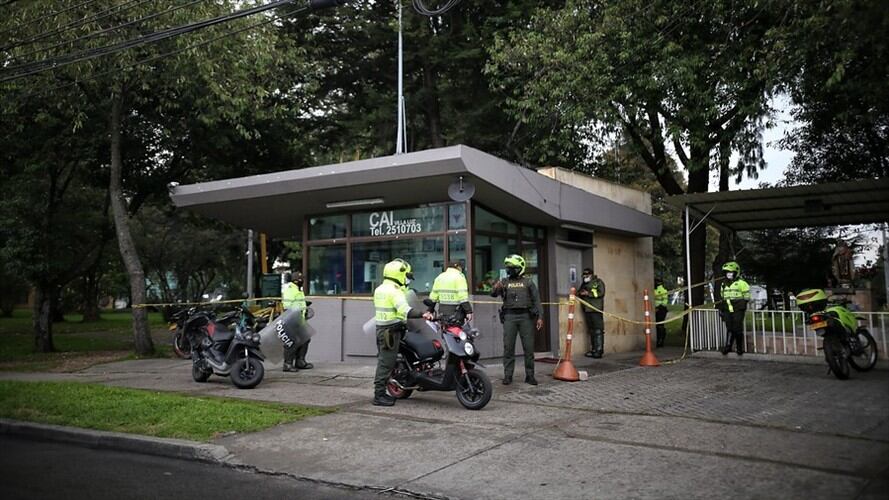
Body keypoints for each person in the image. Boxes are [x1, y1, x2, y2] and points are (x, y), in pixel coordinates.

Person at [372, 259, 433, 406]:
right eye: (406, 276)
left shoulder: (380, 289)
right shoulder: (395, 291)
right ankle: (379, 395)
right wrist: (423, 314)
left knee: (389, 360)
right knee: (386, 363)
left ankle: (405, 383)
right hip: (390, 333)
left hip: (385, 330)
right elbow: (405, 310)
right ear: (398, 274)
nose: (407, 279)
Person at [491, 254, 543, 386]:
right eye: (508, 267)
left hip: (526, 317)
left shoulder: (528, 282)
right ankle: (508, 376)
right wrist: (496, 287)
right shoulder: (504, 282)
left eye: (512, 267)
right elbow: (493, 294)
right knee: (508, 348)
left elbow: (537, 300)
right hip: (510, 317)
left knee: (529, 348)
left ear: (520, 268)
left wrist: (540, 317)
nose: (509, 270)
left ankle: (530, 376)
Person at [281, 271, 312, 372]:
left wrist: (304, 307)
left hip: (299, 318)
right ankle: (287, 364)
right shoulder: (290, 288)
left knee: (306, 338)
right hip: (292, 318)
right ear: (297, 280)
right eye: (301, 279)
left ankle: (300, 361)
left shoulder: (297, 289)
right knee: (292, 340)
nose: (302, 280)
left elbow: (298, 301)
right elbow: (288, 305)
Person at [718, 261, 751, 356]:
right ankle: (728, 347)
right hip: (727, 308)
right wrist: (722, 309)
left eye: (730, 272)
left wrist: (741, 305)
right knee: (729, 328)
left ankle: (739, 348)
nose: (728, 274)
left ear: (736, 273)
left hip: (738, 308)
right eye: (727, 272)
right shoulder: (723, 284)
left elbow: (747, 297)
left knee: (737, 328)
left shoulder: (742, 283)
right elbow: (722, 296)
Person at [429, 261, 473, 325]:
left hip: (442, 312)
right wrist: (468, 311)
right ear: (458, 267)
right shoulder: (459, 276)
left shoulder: (440, 277)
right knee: (459, 332)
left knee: (445, 330)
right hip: (456, 312)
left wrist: (430, 310)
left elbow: (433, 297)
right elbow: (463, 297)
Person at [577, 268, 606, 358]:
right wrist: (579, 293)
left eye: (587, 276)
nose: (585, 277)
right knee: (592, 330)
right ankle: (593, 349)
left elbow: (601, 293)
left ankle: (599, 351)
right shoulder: (584, 284)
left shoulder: (598, 282)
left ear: (591, 275)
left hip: (595, 309)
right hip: (587, 310)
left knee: (598, 330)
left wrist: (588, 293)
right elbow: (579, 293)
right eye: (584, 276)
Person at [654, 280, 669, 348]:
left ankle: (660, 341)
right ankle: (660, 341)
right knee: (660, 325)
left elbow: (664, 302)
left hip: (660, 309)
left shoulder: (660, 290)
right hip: (660, 309)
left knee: (659, 326)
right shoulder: (663, 290)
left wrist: (658, 308)